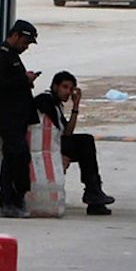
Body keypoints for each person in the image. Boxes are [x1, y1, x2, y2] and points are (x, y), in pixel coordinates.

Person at [33, 71, 113, 215]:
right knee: (85, 142)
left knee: (85, 143)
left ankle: (94, 193)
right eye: (65, 87)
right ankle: (93, 191)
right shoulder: (45, 100)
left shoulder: (57, 105)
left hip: (55, 143)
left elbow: (67, 133)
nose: (68, 92)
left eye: (71, 89)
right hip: (44, 145)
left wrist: (75, 106)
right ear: (55, 86)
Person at [0, 19, 39, 218]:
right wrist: (24, 80)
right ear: (14, 36)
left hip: (18, 116)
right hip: (7, 116)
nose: (25, 47)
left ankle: (11, 198)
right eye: (25, 42)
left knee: (12, 158)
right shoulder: (1, 56)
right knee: (19, 155)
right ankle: (12, 198)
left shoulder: (13, 57)